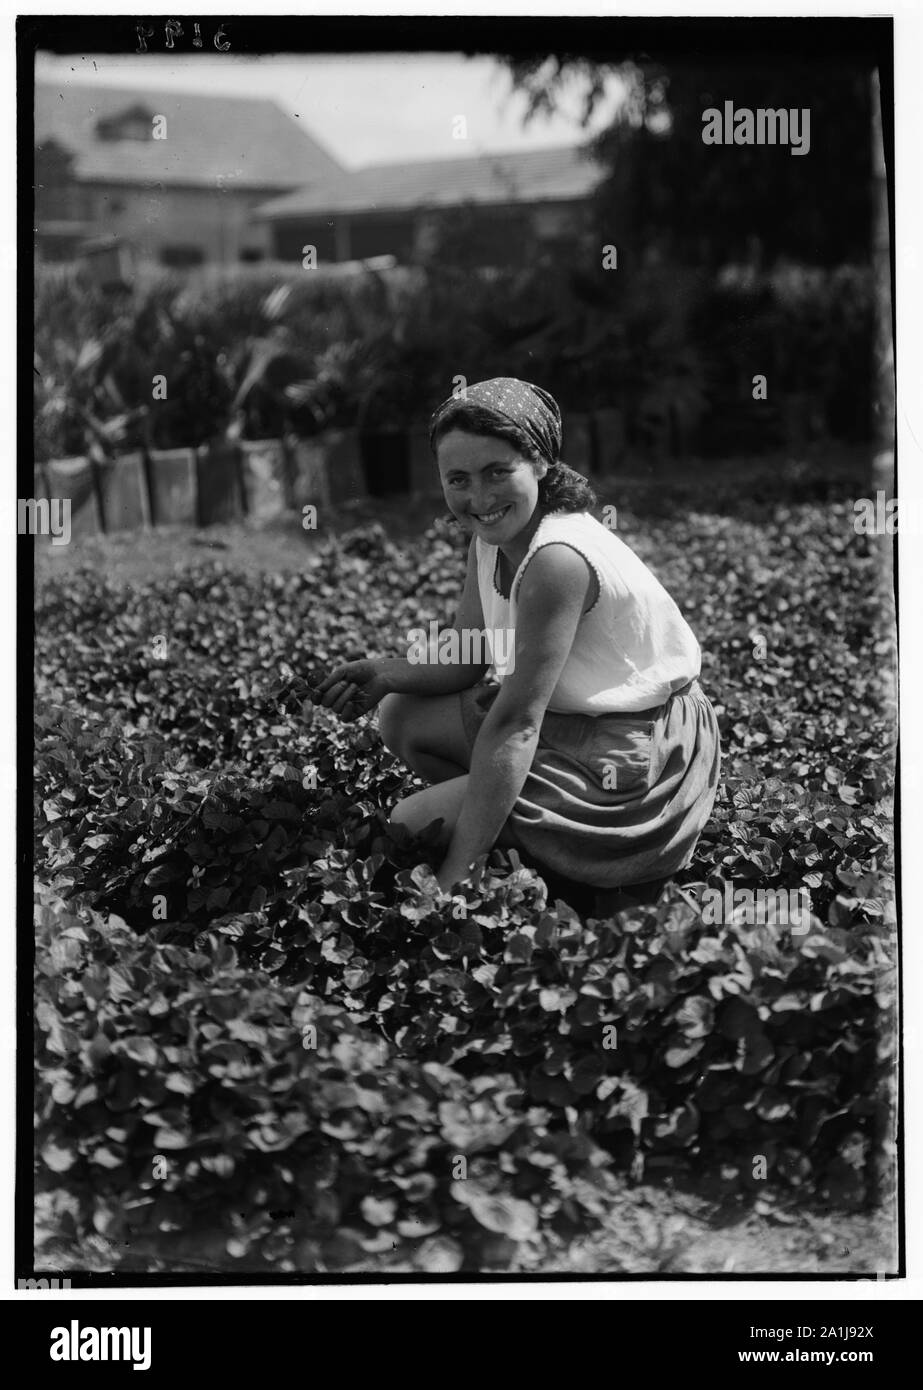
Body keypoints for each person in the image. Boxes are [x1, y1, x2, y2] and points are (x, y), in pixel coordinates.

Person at [313, 377, 720, 895]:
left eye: (497, 472)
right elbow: (469, 655)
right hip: (569, 721)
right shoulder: (491, 537)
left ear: (542, 462)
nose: (479, 498)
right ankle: (509, 826)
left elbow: (516, 724)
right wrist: (386, 673)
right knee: (401, 713)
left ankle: (518, 848)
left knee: (409, 824)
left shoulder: (557, 560)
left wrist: (457, 875)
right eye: (457, 479)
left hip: (636, 758)